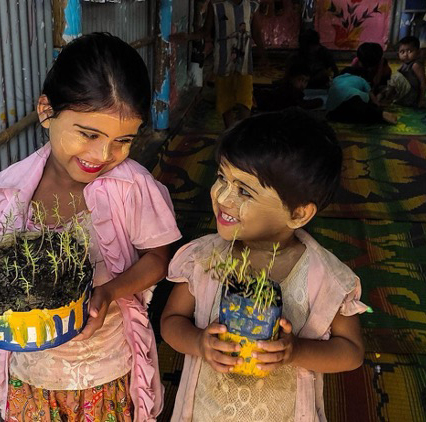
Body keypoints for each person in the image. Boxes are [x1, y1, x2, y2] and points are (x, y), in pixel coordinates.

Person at [0, 33, 182, 422]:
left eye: (122, 141)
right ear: (46, 111)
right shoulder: (10, 190)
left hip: (106, 372)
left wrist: (108, 292)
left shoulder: (132, 187)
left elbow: (159, 260)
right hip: (31, 376)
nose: (102, 155)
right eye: (88, 134)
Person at [161, 109, 367, 421]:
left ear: (297, 214)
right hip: (206, 411)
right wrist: (199, 343)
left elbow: (351, 352)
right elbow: (171, 321)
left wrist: (295, 351)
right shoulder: (203, 259)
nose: (222, 196)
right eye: (221, 178)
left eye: (244, 190)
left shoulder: (326, 277)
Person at [171, 0, 265, 128]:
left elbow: (256, 32)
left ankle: (242, 134)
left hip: (244, 63)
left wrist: (263, 54)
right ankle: (231, 133)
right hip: (223, 62)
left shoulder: (252, 5)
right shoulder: (216, 5)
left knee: (245, 101)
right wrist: (188, 37)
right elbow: (205, 31)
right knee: (226, 103)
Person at [327, 67, 397, 124]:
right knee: (363, 109)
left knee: (344, 115)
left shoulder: (336, 79)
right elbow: (371, 95)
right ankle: (382, 114)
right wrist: (378, 105)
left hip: (334, 106)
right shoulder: (361, 79)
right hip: (352, 96)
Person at [255, 60, 323, 111]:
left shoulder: (291, 90)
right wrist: (319, 101)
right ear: (292, 78)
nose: (303, 84)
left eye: (306, 81)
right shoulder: (289, 93)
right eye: (300, 80)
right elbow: (301, 105)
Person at [383, 36, 426, 108]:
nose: (405, 55)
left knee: (396, 77)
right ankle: (387, 99)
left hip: (413, 96)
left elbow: (423, 83)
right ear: (398, 54)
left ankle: (387, 100)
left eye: (409, 51)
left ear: (418, 52)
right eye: (402, 52)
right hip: (405, 95)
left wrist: (421, 100)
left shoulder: (415, 65)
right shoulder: (403, 65)